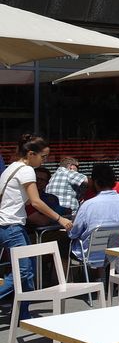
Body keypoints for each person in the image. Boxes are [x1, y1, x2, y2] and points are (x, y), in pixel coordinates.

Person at [0, 135, 72, 318]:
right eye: (43, 156)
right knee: (23, 270)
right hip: (11, 226)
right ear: (31, 154)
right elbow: (36, 202)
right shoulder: (26, 171)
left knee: (28, 269)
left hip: (10, 224)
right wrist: (60, 219)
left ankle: (23, 314)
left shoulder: (11, 169)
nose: (45, 160)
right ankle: (22, 314)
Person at [67, 163, 119, 270]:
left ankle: (73, 283)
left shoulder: (88, 205)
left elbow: (74, 233)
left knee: (64, 246)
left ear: (96, 182)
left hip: (92, 255)